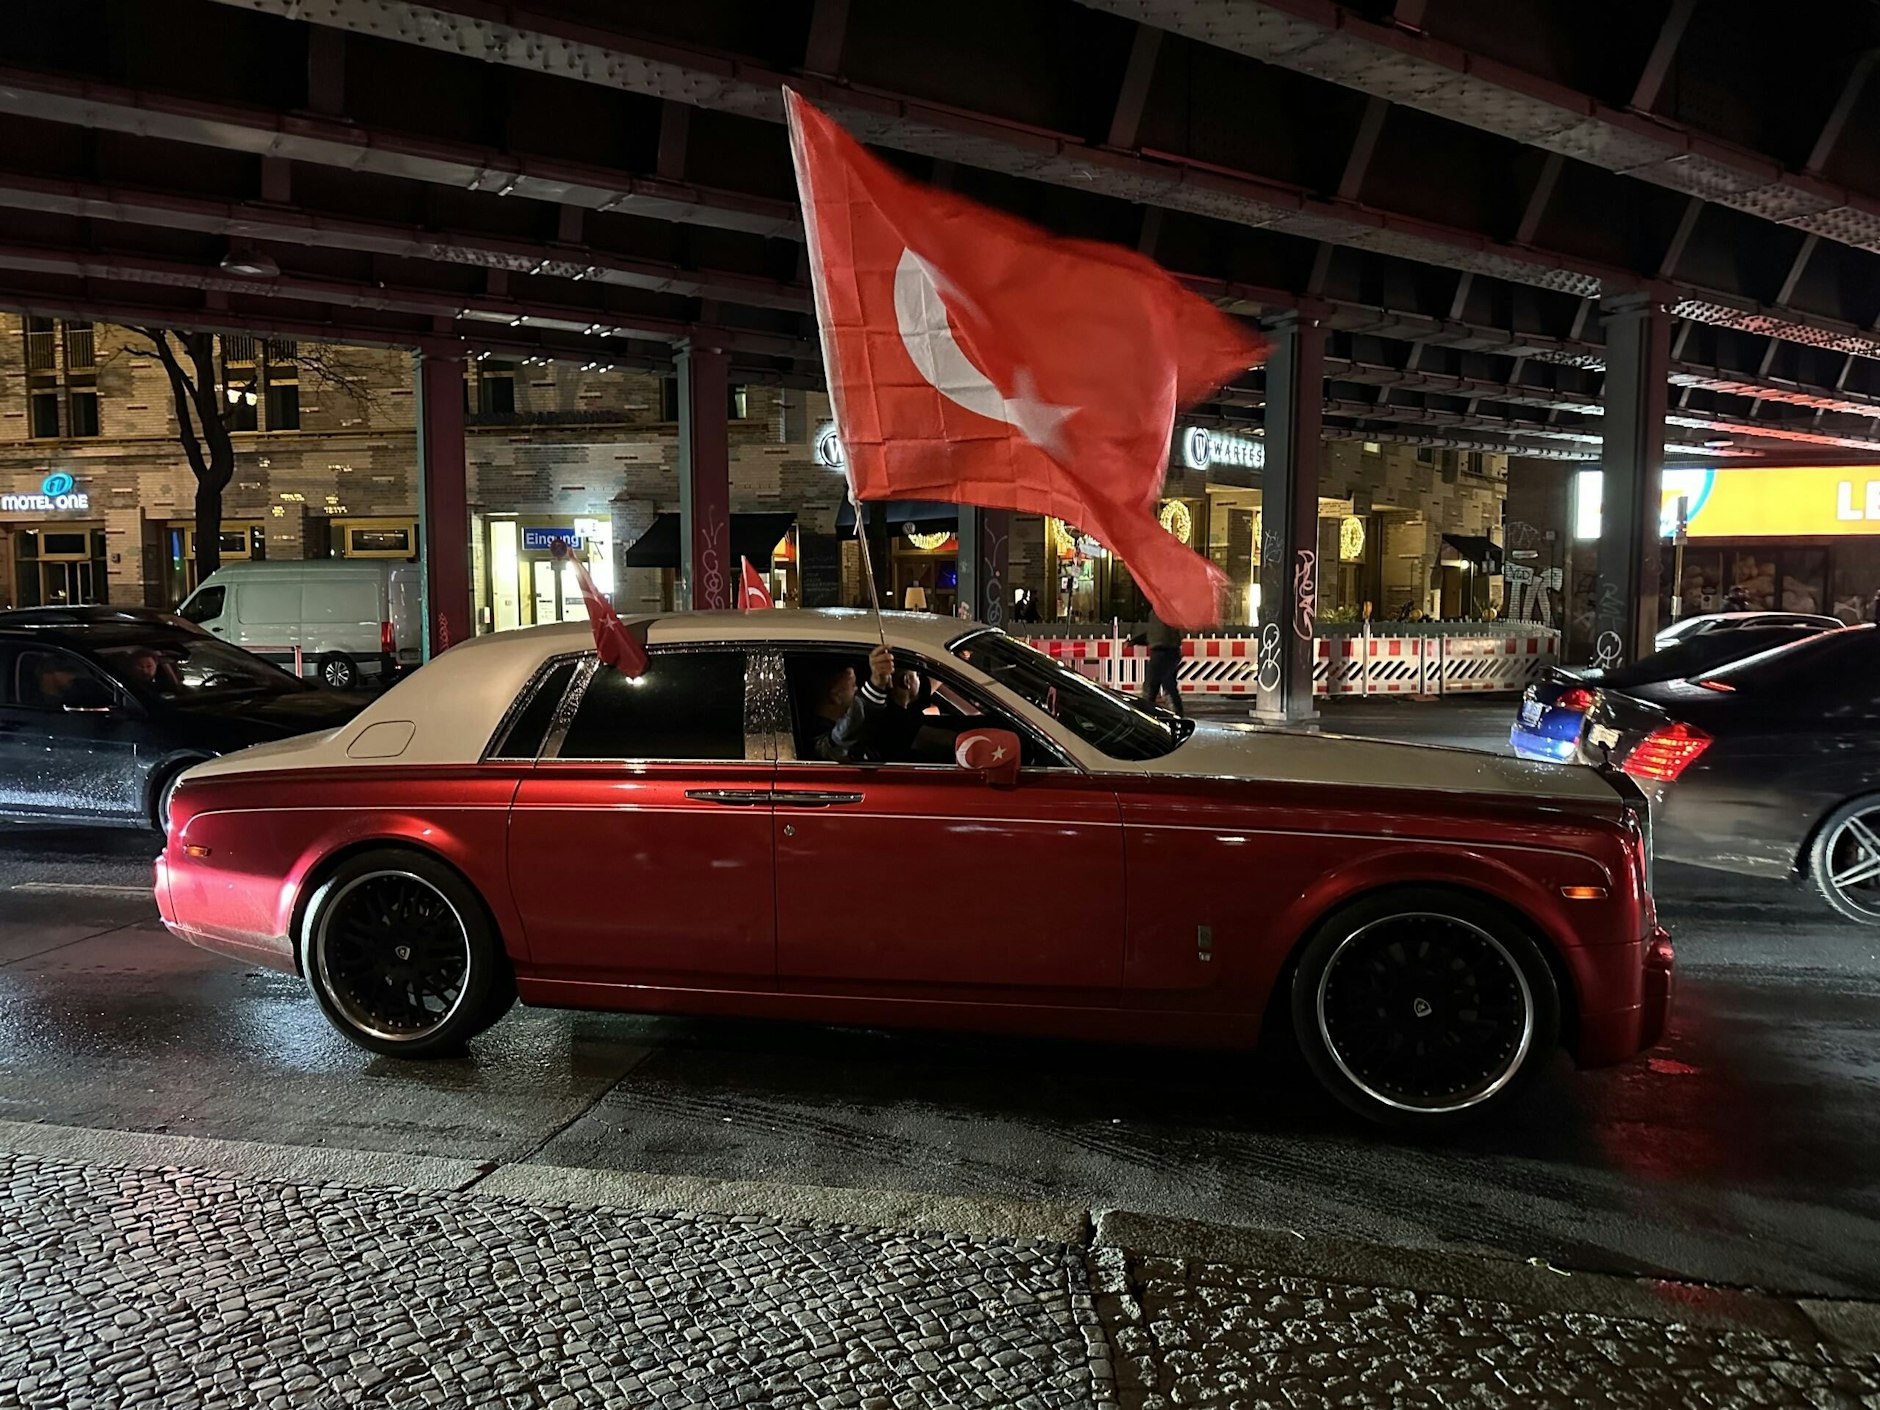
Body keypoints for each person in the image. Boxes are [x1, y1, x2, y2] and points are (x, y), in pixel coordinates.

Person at [806, 644, 913, 763]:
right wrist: (875, 686)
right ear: (836, 695)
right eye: (853, 685)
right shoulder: (820, 746)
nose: (857, 689)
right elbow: (844, 736)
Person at [1135, 610, 1185, 718]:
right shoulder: (1167, 610)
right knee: (1167, 684)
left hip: (1162, 650)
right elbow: (1154, 633)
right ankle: (1176, 714)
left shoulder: (1160, 611)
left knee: (1152, 686)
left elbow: (1155, 634)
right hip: (1169, 650)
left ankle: (1147, 715)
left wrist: (1135, 641)